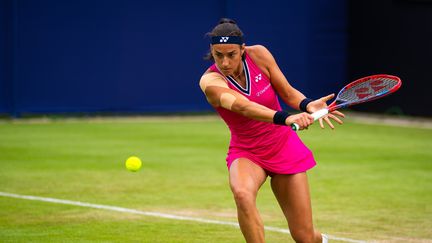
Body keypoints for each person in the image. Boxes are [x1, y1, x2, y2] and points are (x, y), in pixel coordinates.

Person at [199, 18, 345, 243]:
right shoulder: (210, 82)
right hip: (247, 151)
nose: (225, 62)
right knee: (242, 194)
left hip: (283, 146)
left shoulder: (259, 55)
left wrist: (308, 105)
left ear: (242, 50)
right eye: (219, 55)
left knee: (304, 237)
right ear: (212, 51)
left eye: (231, 54)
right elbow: (243, 107)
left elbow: (286, 92)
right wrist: (286, 118)